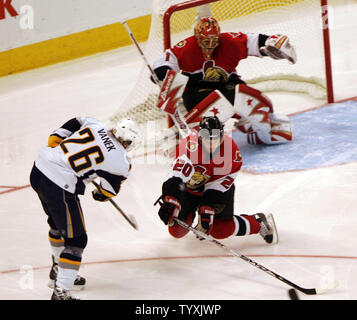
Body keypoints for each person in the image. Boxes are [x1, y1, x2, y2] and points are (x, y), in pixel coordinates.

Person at [30, 117, 142, 300]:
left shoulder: (95, 124)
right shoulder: (121, 162)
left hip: (39, 169)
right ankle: (61, 292)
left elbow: (75, 121)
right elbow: (108, 191)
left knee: (58, 226)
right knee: (76, 240)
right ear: (128, 142)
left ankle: (58, 270)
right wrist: (101, 194)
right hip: (59, 185)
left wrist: (55, 140)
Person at [153, 16, 294, 146]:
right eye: (206, 41)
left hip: (227, 84)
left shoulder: (230, 42)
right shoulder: (186, 47)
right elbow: (161, 64)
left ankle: (252, 126)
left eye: (214, 40)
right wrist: (165, 76)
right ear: (197, 37)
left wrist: (271, 43)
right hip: (197, 90)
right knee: (216, 108)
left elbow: (254, 41)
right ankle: (195, 136)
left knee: (253, 99)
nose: (210, 45)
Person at [155, 116, 278, 243]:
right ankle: (193, 213)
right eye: (208, 139)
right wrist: (171, 200)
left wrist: (207, 209)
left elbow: (220, 184)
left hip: (217, 189)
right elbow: (175, 176)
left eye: (216, 139)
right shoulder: (189, 147)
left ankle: (258, 223)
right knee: (176, 230)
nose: (212, 144)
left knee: (220, 230)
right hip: (190, 190)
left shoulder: (230, 150)